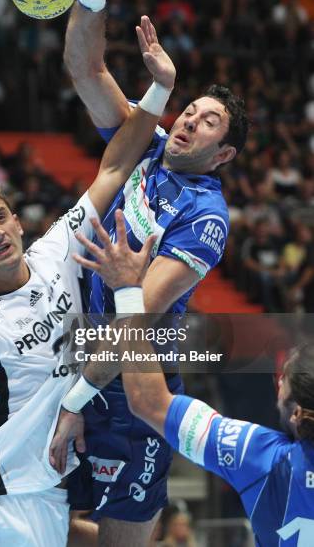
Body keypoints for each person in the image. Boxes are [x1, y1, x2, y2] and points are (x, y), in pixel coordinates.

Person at [0, 21, 177, 547]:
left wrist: (161, 88)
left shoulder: (59, 248)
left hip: (43, 497)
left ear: (17, 220)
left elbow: (116, 165)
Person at [56, 0, 247, 546]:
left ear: (223, 154)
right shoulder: (144, 143)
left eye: (210, 121)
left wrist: (76, 401)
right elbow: (85, 70)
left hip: (128, 389)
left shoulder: (206, 216)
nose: (191, 118)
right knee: (33, 523)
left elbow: (140, 319)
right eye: (191, 109)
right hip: (68, 358)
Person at [72, 212, 314, 546]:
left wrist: (128, 291)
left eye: (281, 383)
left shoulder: (260, 456)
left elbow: (148, 402)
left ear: (297, 413)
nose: (276, 386)